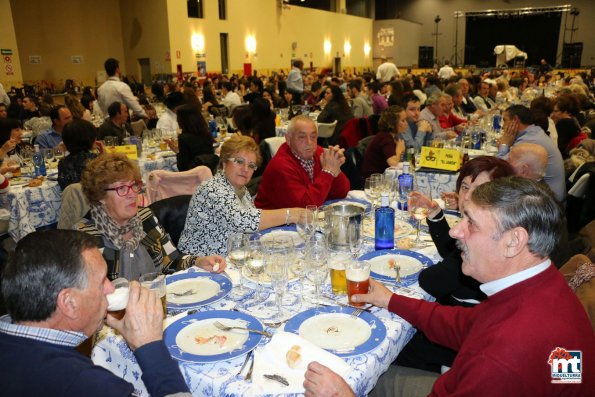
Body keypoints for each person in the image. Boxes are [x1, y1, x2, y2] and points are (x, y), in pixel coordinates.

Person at [318, 177, 595, 396]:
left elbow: (499, 357)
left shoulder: (504, 357)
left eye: (470, 223)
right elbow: (467, 324)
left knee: (360, 376)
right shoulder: (540, 284)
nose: (454, 231)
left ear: (514, 241)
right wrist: (390, 300)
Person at [0, 229, 191, 396]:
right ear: (69, 303)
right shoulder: (84, 383)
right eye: (102, 281)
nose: (111, 289)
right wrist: (150, 346)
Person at [76, 153, 225, 281]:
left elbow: (171, 260)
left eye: (133, 185)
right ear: (99, 195)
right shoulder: (85, 239)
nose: (133, 194)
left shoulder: (145, 217)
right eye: (121, 188)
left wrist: (198, 261)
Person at [178, 135, 302, 256]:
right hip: (198, 265)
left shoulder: (241, 190)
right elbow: (241, 220)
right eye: (239, 162)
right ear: (224, 163)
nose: (245, 169)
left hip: (230, 259)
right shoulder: (211, 189)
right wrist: (290, 214)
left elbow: (250, 229)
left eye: (251, 165)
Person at [255, 115, 350, 209]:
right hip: (274, 222)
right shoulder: (280, 166)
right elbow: (305, 207)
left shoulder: (319, 153)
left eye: (313, 137)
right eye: (302, 137)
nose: (309, 142)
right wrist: (328, 172)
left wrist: (335, 169)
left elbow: (341, 192)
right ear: (288, 139)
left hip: (304, 218)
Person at [498, 104, 566, 203]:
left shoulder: (530, 140)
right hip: (544, 194)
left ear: (515, 120)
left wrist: (504, 145)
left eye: (504, 120)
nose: (503, 126)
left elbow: (501, 169)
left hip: (547, 204)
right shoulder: (535, 132)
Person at [167, 103, 216, 172]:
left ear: (182, 120)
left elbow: (183, 168)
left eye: (178, 118)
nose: (176, 120)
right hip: (209, 173)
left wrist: (177, 152)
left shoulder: (183, 138)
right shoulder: (205, 133)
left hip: (193, 177)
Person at [361, 106, 407, 178]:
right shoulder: (385, 137)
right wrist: (399, 150)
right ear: (393, 123)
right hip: (374, 179)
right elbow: (393, 163)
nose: (406, 123)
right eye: (403, 121)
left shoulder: (390, 136)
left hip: (383, 175)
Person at [58, 119, 98, 190]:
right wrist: (104, 155)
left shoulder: (63, 163)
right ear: (88, 139)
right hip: (93, 199)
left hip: (72, 199)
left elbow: (63, 187)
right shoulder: (96, 161)